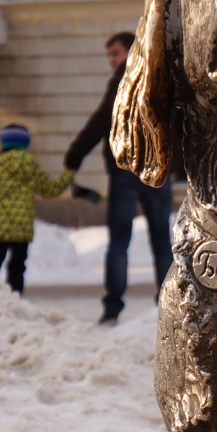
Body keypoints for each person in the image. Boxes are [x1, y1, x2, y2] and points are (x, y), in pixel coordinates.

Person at [65, 31, 173, 326]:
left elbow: (102, 120)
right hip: (156, 170)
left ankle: (113, 309)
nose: (112, 60)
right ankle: (167, 303)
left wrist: (73, 157)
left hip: (126, 171)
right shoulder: (159, 75)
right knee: (161, 239)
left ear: (129, 50)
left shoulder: (123, 79)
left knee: (120, 241)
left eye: (115, 53)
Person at [0, 124, 74, 293]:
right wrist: (68, 176)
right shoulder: (31, 167)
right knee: (17, 266)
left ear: (3, 144)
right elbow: (50, 190)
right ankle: (16, 297)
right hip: (22, 228)